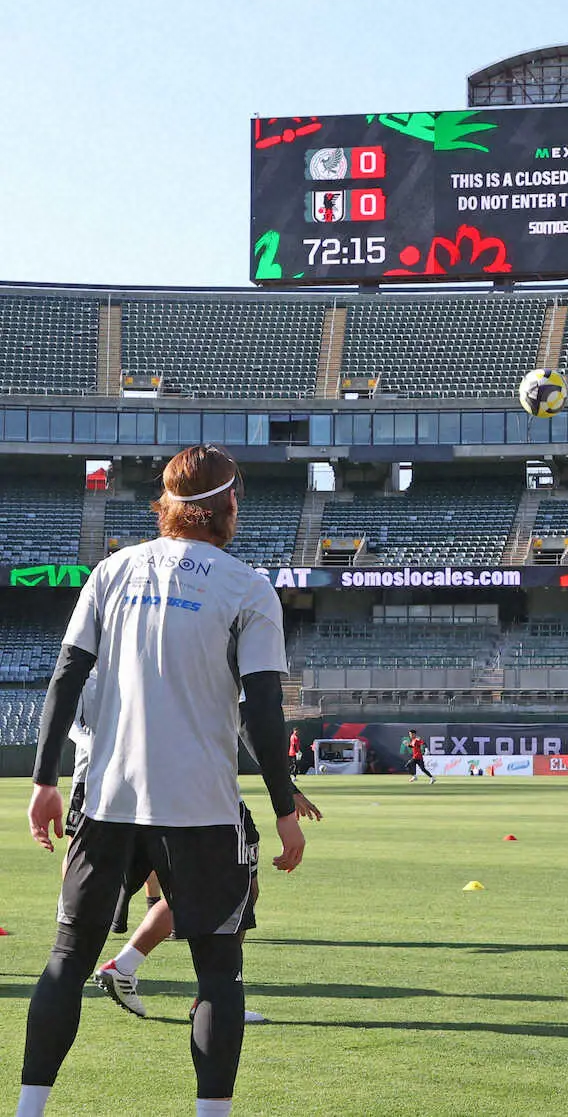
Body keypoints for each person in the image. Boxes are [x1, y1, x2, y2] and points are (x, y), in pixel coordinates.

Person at [20, 444, 305, 1117]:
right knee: (218, 970)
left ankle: (28, 1110)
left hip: (108, 800)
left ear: (167, 504)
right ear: (228, 504)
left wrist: (43, 780)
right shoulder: (247, 587)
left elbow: (66, 677)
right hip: (201, 807)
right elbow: (263, 709)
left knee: (67, 958)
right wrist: (284, 806)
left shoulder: (112, 570)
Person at [94, 785, 323, 1022]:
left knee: (191, 892)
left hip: (167, 804)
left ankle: (126, 967)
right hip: (214, 805)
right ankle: (216, 996)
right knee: (239, 893)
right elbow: (263, 757)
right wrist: (286, 797)